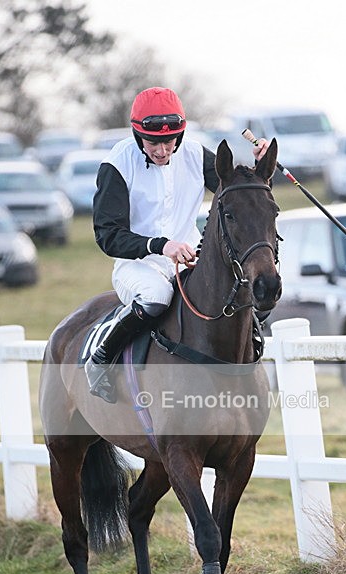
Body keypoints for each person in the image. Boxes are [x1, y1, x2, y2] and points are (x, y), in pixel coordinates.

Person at [85, 86, 269, 403]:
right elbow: (108, 235)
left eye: (169, 141)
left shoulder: (195, 154)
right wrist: (160, 246)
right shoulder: (117, 165)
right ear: (137, 133)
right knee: (157, 296)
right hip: (139, 267)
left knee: (237, 287)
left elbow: (239, 194)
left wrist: (260, 167)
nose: (162, 149)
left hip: (191, 259)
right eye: (153, 142)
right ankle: (101, 358)